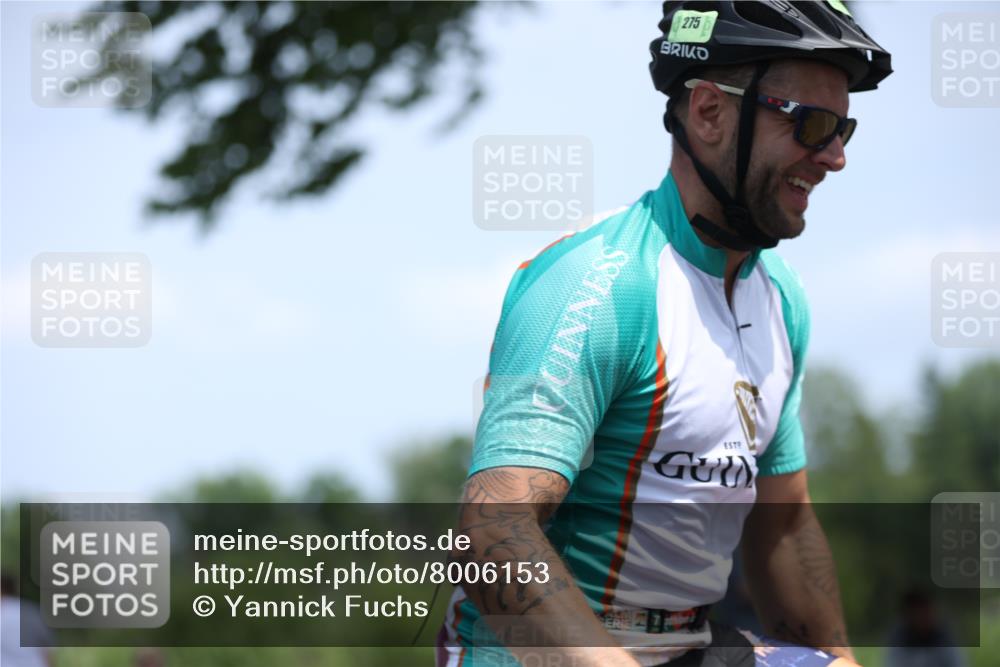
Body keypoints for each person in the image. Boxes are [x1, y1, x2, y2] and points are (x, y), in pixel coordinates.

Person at [438, 2, 892, 666]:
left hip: (685, 643)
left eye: (844, 127)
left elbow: (783, 525)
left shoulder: (781, 300)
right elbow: (494, 527)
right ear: (709, 112)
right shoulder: (601, 284)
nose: (835, 156)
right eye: (813, 125)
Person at [885, 588, 967, 667]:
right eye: (918, 612)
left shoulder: (945, 638)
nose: (923, 616)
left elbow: (958, 663)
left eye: (927, 610)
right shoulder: (898, 639)